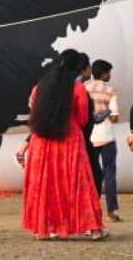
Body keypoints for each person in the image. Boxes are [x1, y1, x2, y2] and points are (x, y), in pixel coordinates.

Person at [23, 49, 106, 241]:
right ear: (77, 68)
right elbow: (84, 118)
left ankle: (42, 228)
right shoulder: (77, 89)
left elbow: (33, 110)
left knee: (45, 185)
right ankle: (93, 229)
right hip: (69, 140)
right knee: (80, 184)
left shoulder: (39, 87)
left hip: (42, 141)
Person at [85, 60, 122, 222]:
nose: (111, 76)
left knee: (91, 174)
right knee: (110, 173)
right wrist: (106, 112)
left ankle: (90, 208)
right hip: (106, 135)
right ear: (104, 74)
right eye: (109, 73)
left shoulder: (85, 87)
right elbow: (114, 117)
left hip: (89, 136)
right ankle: (112, 210)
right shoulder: (109, 90)